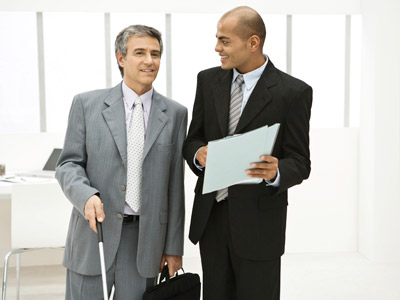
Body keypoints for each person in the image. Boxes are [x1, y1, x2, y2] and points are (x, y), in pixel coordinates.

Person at [183, 6, 312, 300]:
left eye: (225, 41)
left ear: (252, 43)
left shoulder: (293, 92)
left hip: (259, 226)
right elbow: (192, 140)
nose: (217, 48)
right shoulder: (207, 81)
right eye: (217, 39)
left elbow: (300, 162)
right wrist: (198, 154)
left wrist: (276, 171)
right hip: (212, 219)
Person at [56, 25, 187, 300]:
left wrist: (174, 247)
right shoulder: (86, 105)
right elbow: (68, 164)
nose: (149, 61)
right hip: (94, 237)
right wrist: (86, 196)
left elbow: (175, 185)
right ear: (120, 58)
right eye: (140, 52)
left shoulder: (175, 114)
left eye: (155, 53)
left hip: (145, 243)